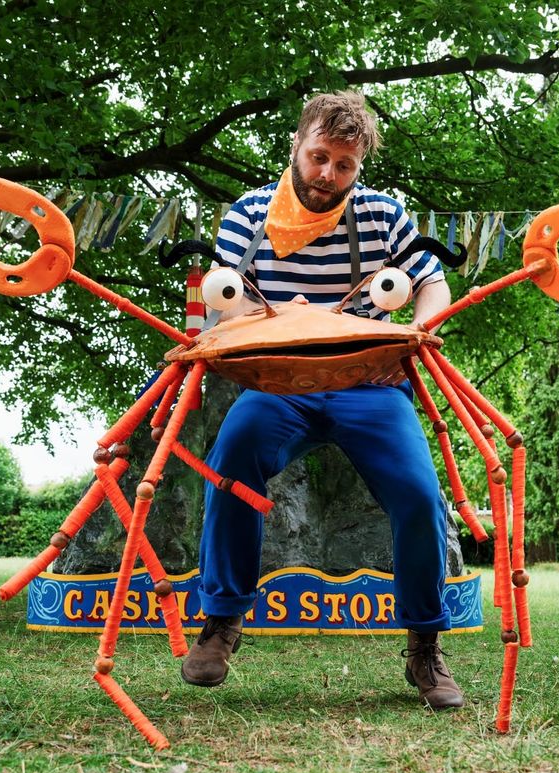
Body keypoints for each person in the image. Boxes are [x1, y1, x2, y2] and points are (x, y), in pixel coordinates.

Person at [180, 91, 463, 710]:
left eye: (344, 165)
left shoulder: (383, 215)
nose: (328, 175)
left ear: (359, 166)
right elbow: (224, 302)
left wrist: (415, 337)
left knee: (420, 496)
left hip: (368, 383)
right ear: (297, 146)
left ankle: (425, 643)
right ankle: (222, 620)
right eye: (319, 158)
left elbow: (431, 281)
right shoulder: (248, 217)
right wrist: (277, 320)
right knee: (230, 466)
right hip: (280, 385)